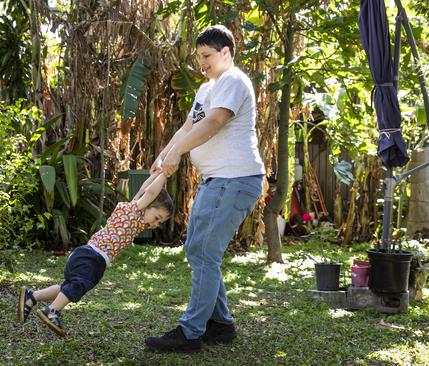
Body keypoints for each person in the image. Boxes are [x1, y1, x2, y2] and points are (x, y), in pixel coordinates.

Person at [144, 24, 265, 354]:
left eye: (207, 55)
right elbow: (189, 126)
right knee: (198, 250)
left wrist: (176, 154)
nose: (202, 63)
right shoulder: (206, 89)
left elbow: (214, 123)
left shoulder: (233, 81)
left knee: (205, 253)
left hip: (235, 178)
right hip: (216, 180)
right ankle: (220, 325)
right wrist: (164, 154)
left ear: (225, 53)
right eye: (199, 57)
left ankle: (191, 332)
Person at [17, 173, 173, 337]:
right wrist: (164, 173)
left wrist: (155, 174)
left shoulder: (132, 209)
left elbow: (143, 190)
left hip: (89, 255)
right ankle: (52, 310)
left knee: (69, 287)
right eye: (157, 218)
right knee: (79, 285)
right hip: (92, 257)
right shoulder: (134, 211)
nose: (155, 224)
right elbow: (149, 192)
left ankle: (32, 296)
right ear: (148, 205)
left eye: (159, 222)